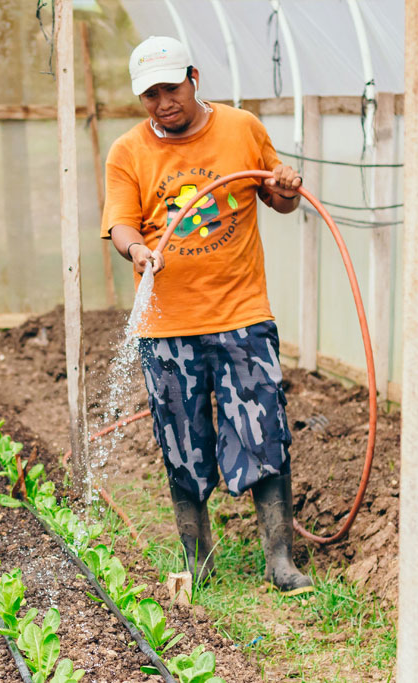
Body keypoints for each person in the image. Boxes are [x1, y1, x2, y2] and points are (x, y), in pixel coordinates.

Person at [101, 36, 312, 594]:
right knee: (181, 438)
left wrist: (288, 184)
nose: (163, 102)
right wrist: (136, 250)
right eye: (150, 95)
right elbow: (121, 224)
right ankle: (199, 562)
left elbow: (279, 198)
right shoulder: (128, 151)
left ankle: (279, 560)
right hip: (166, 324)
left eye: (171, 88)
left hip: (241, 312)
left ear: (194, 77)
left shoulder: (242, 130)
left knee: (263, 428)